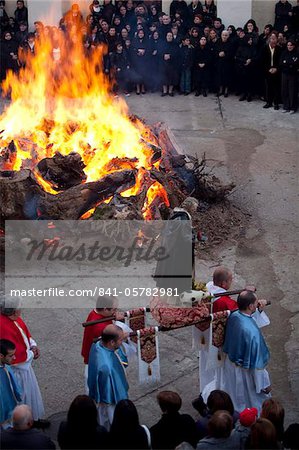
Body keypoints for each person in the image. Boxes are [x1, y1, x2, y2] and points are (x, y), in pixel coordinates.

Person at [217, 290, 271, 413]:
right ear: (251, 306)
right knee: (252, 400)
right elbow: (258, 363)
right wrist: (263, 384)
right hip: (246, 372)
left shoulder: (234, 315)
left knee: (234, 395)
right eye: (256, 302)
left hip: (231, 364)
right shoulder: (253, 334)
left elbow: (248, 319)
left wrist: (260, 310)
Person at [0, 299, 46, 423]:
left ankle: (33, 418)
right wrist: (32, 353)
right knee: (23, 397)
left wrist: (33, 345)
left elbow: (24, 334)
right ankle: (25, 422)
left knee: (31, 395)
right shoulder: (4, 327)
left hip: (25, 366)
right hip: (18, 371)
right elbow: (16, 357)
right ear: (14, 312)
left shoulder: (13, 318)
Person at [88, 324, 129, 430]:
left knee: (102, 416)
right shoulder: (108, 367)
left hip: (99, 393)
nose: (122, 340)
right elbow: (113, 387)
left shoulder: (98, 344)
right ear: (111, 342)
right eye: (121, 339)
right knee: (113, 418)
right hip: (111, 398)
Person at [82, 295, 117, 393]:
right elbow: (114, 340)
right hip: (98, 362)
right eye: (114, 309)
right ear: (105, 309)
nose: (115, 311)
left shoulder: (93, 313)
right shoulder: (100, 327)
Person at [0, 339, 22, 426]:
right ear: (1, 355)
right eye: (11, 355)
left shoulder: (5, 366)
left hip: (11, 411)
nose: (14, 358)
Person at [261, 32, 282, 110]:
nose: (273, 40)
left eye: (275, 39)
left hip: (277, 71)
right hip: (268, 71)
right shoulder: (264, 48)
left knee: (276, 87)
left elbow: (281, 61)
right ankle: (269, 102)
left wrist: (276, 69)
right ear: (269, 39)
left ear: (277, 39)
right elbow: (262, 61)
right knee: (268, 87)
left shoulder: (279, 49)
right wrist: (268, 69)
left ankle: (276, 103)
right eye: (272, 38)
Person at [280, 40, 298, 114]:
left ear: (293, 46)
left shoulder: (297, 54)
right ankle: (286, 106)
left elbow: (296, 64)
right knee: (285, 90)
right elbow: (281, 63)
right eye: (288, 45)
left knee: (292, 91)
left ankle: (293, 107)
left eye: (291, 45)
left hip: (293, 75)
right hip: (284, 74)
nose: (289, 47)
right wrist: (289, 65)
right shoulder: (284, 53)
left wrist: (288, 64)